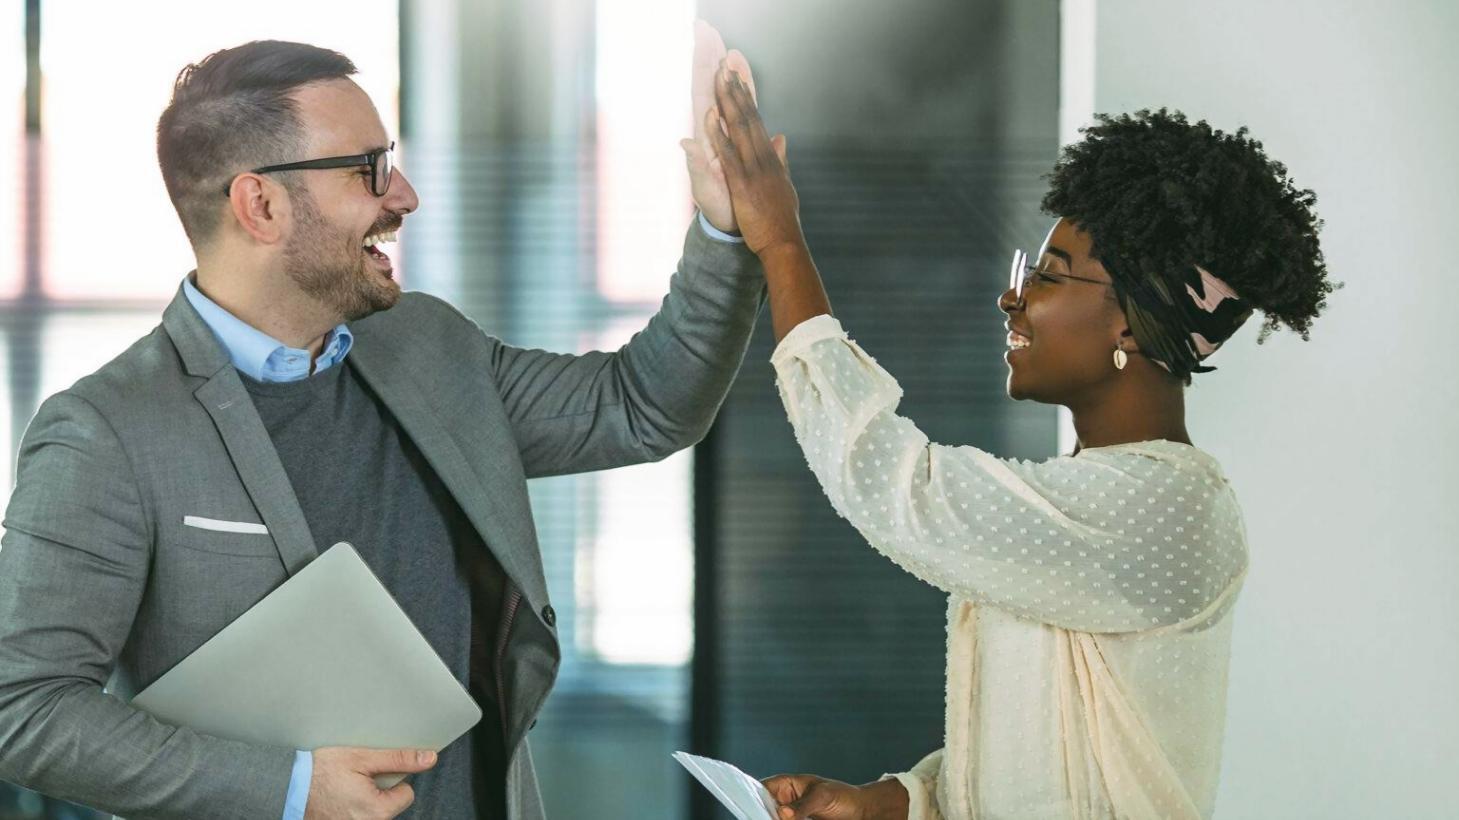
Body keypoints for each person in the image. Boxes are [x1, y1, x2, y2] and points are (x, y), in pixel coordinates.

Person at [0, 29, 763, 820]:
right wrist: (290, 790)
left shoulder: (429, 348)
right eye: (369, 170)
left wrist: (722, 226)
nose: (402, 195)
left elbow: (642, 407)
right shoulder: (108, 431)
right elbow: (21, 706)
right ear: (258, 204)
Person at [704, 64, 1332, 820]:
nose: (1014, 295)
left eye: (1049, 275)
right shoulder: (1086, 501)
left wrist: (779, 244)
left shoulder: (1167, 506)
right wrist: (892, 803)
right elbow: (1038, 765)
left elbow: (897, 489)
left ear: (1129, 322)